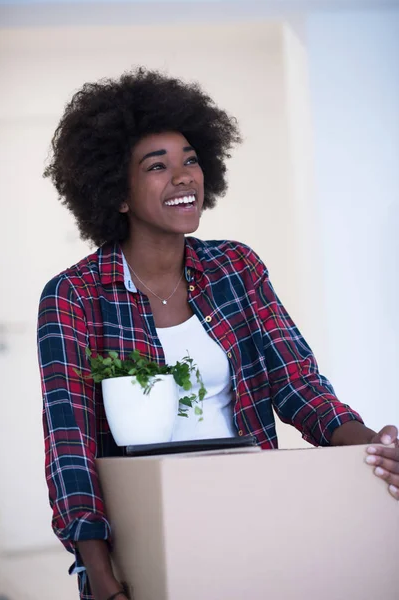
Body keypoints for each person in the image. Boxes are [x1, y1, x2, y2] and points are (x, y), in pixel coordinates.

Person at [37, 68, 399, 600]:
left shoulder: (237, 266)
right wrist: (102, 576)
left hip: (250, 508)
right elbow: (70, 444)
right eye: (157, 166)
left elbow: (297, 383)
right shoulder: (74, 296)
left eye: (190, 160)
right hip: (143, 529)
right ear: (116, 192)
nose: (183, 177)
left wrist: (371, 445)